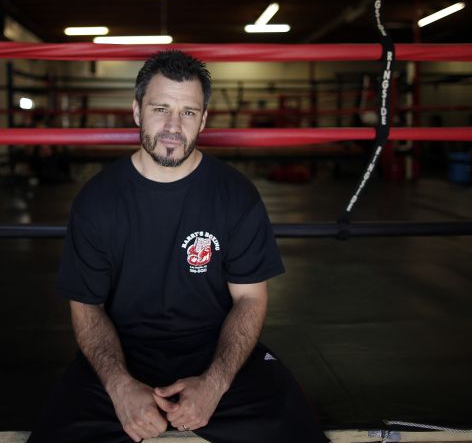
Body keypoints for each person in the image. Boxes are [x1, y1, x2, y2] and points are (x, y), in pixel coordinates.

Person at [30, 51, 326, 443]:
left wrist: (215, 383)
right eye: (160, 109)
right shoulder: (98, 200)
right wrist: (120, 388)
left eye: (188, 112)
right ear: (137, 111)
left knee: (295, 432)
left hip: (216, 348)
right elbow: (86, 305)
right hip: (122, 351)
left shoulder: (236, 195)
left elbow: (250, 299)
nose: (173, 126)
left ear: (203, 119)